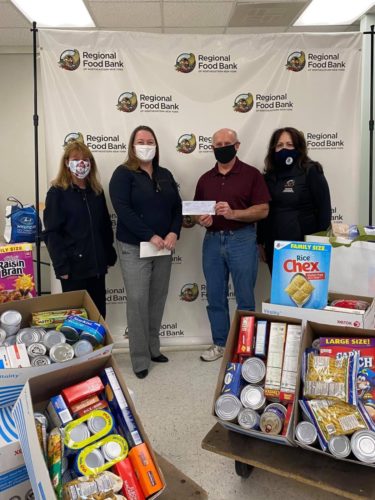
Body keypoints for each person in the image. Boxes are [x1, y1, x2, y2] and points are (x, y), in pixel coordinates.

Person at [109, 125, 182, 379]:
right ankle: (139, 358)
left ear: (156, 145)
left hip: (164, 247)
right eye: (140, 141)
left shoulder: (165, 174)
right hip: (135, 246)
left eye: (150, 140)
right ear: (132, 146)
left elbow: (177, 208)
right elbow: (123, 210)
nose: (145, 144)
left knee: (156, 299)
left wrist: (174, 233)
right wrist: (150, 235)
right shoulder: (123, 174)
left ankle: (153, 349)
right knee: (138, 300)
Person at [194, 128, 270, 362]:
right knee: (215, 296)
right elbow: (197, 212)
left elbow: (263, 209)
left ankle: (245, 348)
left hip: (242, 239)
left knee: (245, 297)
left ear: (237, 146)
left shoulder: (252, 175)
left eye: (228, 142)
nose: (223, 147)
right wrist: (202, 219)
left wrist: (234, 213)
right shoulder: (205, 179)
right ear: (212, 148)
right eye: (218, 144)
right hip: (212, 241)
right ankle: (220, 344)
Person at [43, 140, 117, 319]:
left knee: (98, 318)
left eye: (86, 159)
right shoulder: (57, 193)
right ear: (67, 162)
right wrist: (61, 267)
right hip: (73, 270)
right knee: (77, 322)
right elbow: (52, 232)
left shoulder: (96, 192)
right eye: (76, 159)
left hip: (97, 268)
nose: (81, 163)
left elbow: (105, 226)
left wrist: (108, 254)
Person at [257, 127, 332, 272]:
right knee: (281, 291)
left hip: (303, 245)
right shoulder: (268, 176)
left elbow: (324, 209)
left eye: (289, 144)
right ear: (273, 149)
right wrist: (260, 241)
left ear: (299, 147)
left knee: (303, 292)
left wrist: (318, 244)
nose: (284, 148)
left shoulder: (311, 170)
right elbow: (265, 211)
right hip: (275, 246)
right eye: (279, 145)